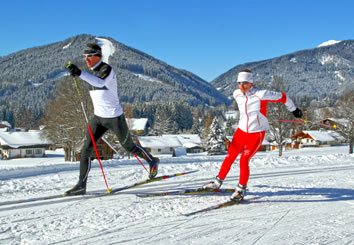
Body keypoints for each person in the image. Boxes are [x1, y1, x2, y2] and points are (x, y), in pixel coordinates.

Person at [65, 43, 159, 196]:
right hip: (98, 118)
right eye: (85, 57)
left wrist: (80, 73)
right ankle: (81, 185)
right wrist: (79, 73)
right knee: (85, 150)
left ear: (98, 56)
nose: (87, 59)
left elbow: (100, 82)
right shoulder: (91, 73)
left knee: (129, 147)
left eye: (90, 56)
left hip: (115, 118)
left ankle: (152, 161)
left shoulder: (106, 69)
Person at [203, 69, 303, 201]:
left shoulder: (261, 94)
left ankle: (240, 190)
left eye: (244, 83)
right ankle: (217, 182)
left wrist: (295, 110)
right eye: (239, 83)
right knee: (230, 156)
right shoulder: (236, 93)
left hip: (256, 133)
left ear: (251, 82)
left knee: (244, 160)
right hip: (241, 131)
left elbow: (284, 97)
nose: (241, 86)